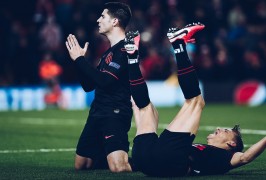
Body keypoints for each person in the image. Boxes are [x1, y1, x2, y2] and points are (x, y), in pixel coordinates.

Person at [123, 23, 266, 177]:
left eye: (226, 131)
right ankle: (132, 57)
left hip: (167, 159)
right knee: (146, 108)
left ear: (231, 144)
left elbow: (246, 157)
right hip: (144, 158)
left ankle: (178, 44)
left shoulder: (226, 158)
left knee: (196, 102)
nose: (219, 128)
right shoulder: (205, 150)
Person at [65, 2, 133, 172]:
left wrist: (80, 61)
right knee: (82, 165)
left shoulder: (124, 49)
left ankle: (143, 161)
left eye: (103, 16)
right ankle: (110, 154)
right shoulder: (108, 53)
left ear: (115, 21)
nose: (98, 20)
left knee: (118, 168)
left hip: (114, 113)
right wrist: (79, 60)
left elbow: (105, 81)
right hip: (97, 112)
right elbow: (89, 86)